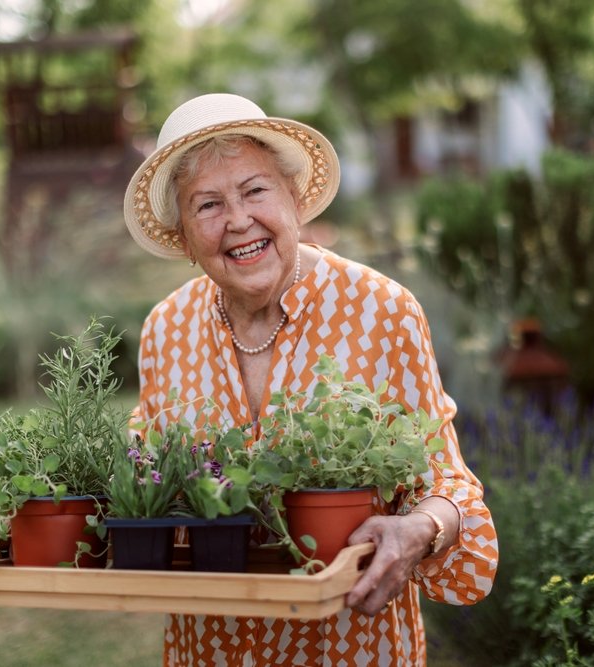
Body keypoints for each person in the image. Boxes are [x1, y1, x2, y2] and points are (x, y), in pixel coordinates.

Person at [124, 92, 498, 666]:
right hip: (209, 649)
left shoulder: (381, 310)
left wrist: (422, 528)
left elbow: (446, 483)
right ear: (184, 241)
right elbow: (145, 480)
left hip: (349, 646)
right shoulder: (165, 330)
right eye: (207, 205)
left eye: (255, 190)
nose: (238, 220)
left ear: (294, 199)